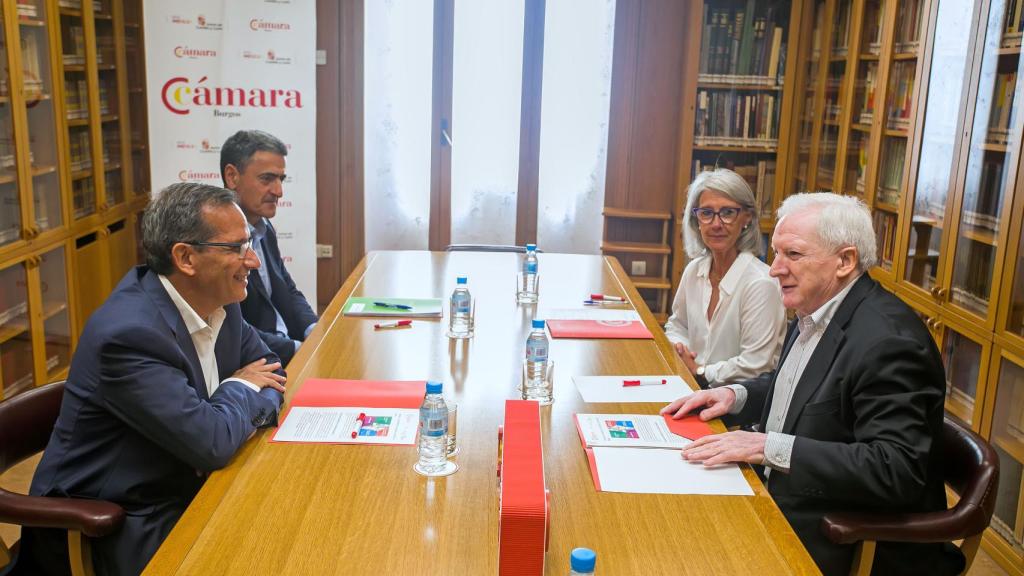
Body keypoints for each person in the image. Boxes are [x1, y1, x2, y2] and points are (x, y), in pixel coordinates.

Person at [662, 193, 962, 576]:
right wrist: (732, 394)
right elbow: (804, 390)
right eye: (775, 253)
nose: (774, 269)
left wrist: (766, 446)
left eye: (794, 255)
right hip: (787, 497)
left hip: (845, 538)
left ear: (846, 261)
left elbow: (895, 469)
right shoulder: (817, 308)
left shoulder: (890, 342)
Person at [16, 183, 286, 576]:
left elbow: (273, 372)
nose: (252, 261)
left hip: (194, 484)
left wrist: (226, 417)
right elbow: (211, 443)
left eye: (248, 244)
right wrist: (240, 387)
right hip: (119, 521)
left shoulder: (220, 301)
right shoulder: (128, 335)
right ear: (185, 257)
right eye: (235, 248)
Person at [665, 168, 785, 387]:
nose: (716, 224)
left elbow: (755, 365)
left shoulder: (761, 284)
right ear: (696, 220)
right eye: (707, 213)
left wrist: (701, 371)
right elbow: (677, 325)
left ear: (746, 218)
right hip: (689, 384)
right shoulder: (694, 270)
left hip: (734, 406)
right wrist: (681, 351)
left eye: (728, 213)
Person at [220, 129, 317, 366]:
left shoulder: (264, 225)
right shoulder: (216, 240)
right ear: (232, 177)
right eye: (267, 179)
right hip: (255, 362)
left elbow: (287, 289)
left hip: (287, 349)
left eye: (281, 179)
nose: (278, 191)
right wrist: (298, 350)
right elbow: (230, 329)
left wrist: (314, 329)